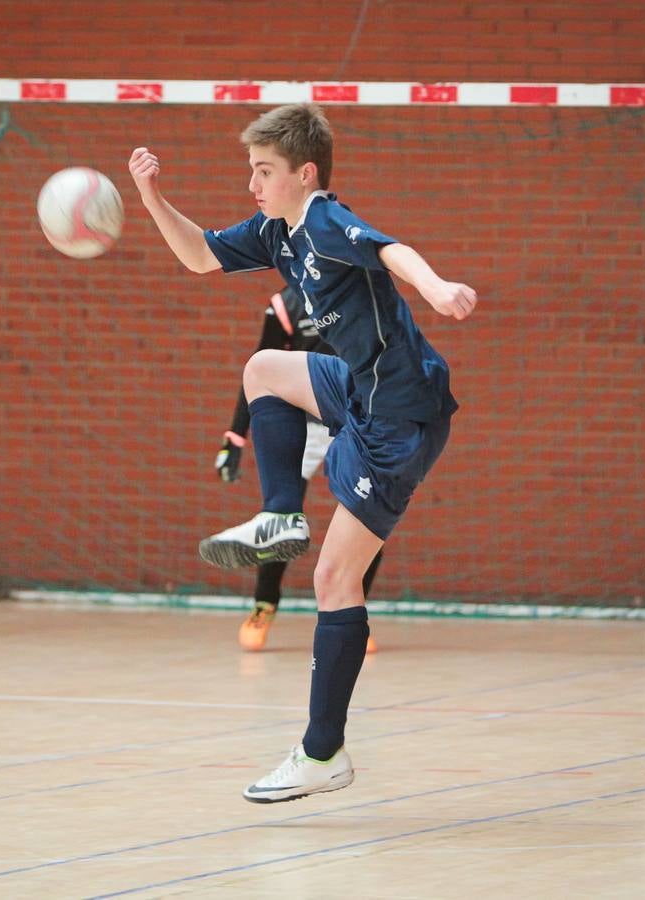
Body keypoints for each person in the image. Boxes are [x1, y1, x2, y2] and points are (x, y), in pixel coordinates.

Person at [128, 103, 476, 804]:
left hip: (400, 416)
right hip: (360, 389)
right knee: (263, 369)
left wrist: (436, 287)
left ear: (304, 173)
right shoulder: (275, 232)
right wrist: (150, 196)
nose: (252, 184)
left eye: (264, 171)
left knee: (333, 582)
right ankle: (281, 513)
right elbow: (199, 256)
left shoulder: (324, 219)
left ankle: (322, 754)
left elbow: (390, 250)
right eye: (251, 170)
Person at [214, 286, 382, 653]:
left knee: (369, 519)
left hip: (354, 421)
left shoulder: (366, 294)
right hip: (303, 423)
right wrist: (235, 437)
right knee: (280, 520)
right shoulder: (286, 304)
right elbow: (259, 370)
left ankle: (354, 613)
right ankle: (264, 606)